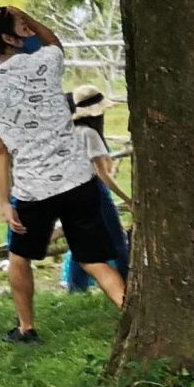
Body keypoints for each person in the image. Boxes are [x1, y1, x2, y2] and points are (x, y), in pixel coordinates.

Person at [0, 6, 126, 343]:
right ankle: (132, 315)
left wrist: (2, 201)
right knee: (95, 260)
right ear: (10, 38)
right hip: (78, 179)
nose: (30, 31)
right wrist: (26, 13)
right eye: (22, 28)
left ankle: (26, 328)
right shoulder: (46, 62)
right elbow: (53, 40)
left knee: (19, 257)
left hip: (33, 189)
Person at [58, 85, 131, 292]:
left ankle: (76, 287)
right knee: (117, 239)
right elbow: (102, 174)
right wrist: (127, 199)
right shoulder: (90, 134)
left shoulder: (70, 133)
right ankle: (126, 283)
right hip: (94, 192)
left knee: (81, 242)